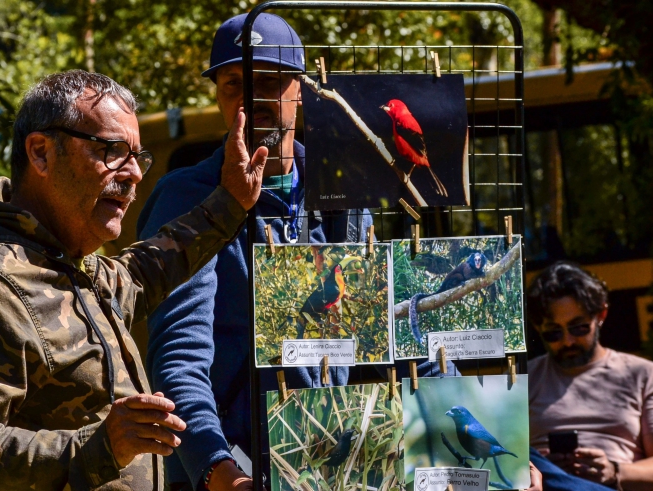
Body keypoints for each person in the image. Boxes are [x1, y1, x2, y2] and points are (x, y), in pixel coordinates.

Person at [0, 70, 268, 491]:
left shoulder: (70, 267)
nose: (133, 174)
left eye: (138, 157)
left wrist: (231, 202)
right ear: (40, 153)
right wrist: (99, 447)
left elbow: (142, 272)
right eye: (112, 150)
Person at [137, 13, 452, 491]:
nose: (250, 97)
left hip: (335, 462)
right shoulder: (187, 197)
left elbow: (398, 331)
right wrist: (219, 471)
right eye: (233, 84)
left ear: (300, 89)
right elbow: (180, 357)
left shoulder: (343, 195)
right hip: (235, 470)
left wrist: (487, 434)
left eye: (268, 81)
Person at [526, 261, 653, 491]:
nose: (568, 341)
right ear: (537, 327)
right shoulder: (522, 379)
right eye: (553, 332)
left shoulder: (643, 374)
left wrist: (614, 471)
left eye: (579, 328)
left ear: (600, 315)